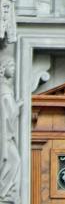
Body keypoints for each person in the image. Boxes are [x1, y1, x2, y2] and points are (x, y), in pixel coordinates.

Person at [0, 59, 21, 202]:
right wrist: (18, 106)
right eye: (11, 65)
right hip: (5, 137)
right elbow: (8, 114)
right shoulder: (4, 90)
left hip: (7, 136)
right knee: (14, 160)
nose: (13, 68)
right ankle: (4, 192)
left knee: (14, 161)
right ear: (3, 68)